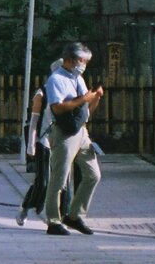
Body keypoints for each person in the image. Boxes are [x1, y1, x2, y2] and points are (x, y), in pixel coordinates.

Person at [44, 42, 104, 236]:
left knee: (93, 174)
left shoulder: (79, 78)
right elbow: (57, 107)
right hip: (64, 132)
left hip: (81, 131)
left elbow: (85, 112)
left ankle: (74, 215)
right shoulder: (57, 79)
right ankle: (53, 221)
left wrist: (95, 99)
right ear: (69, 60)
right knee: (59, 179)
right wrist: (82, 100)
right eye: (82, 60)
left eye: (86, 61)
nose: (84, 64)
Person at [17, 58, 70, 226]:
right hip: (44, 140)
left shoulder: (70, 93)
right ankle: (26, 206)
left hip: (63, 142)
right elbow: (33, 121)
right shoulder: (42, 94)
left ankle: (56, 216)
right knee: (44, 181)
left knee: (63, 181)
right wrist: (31, 144)